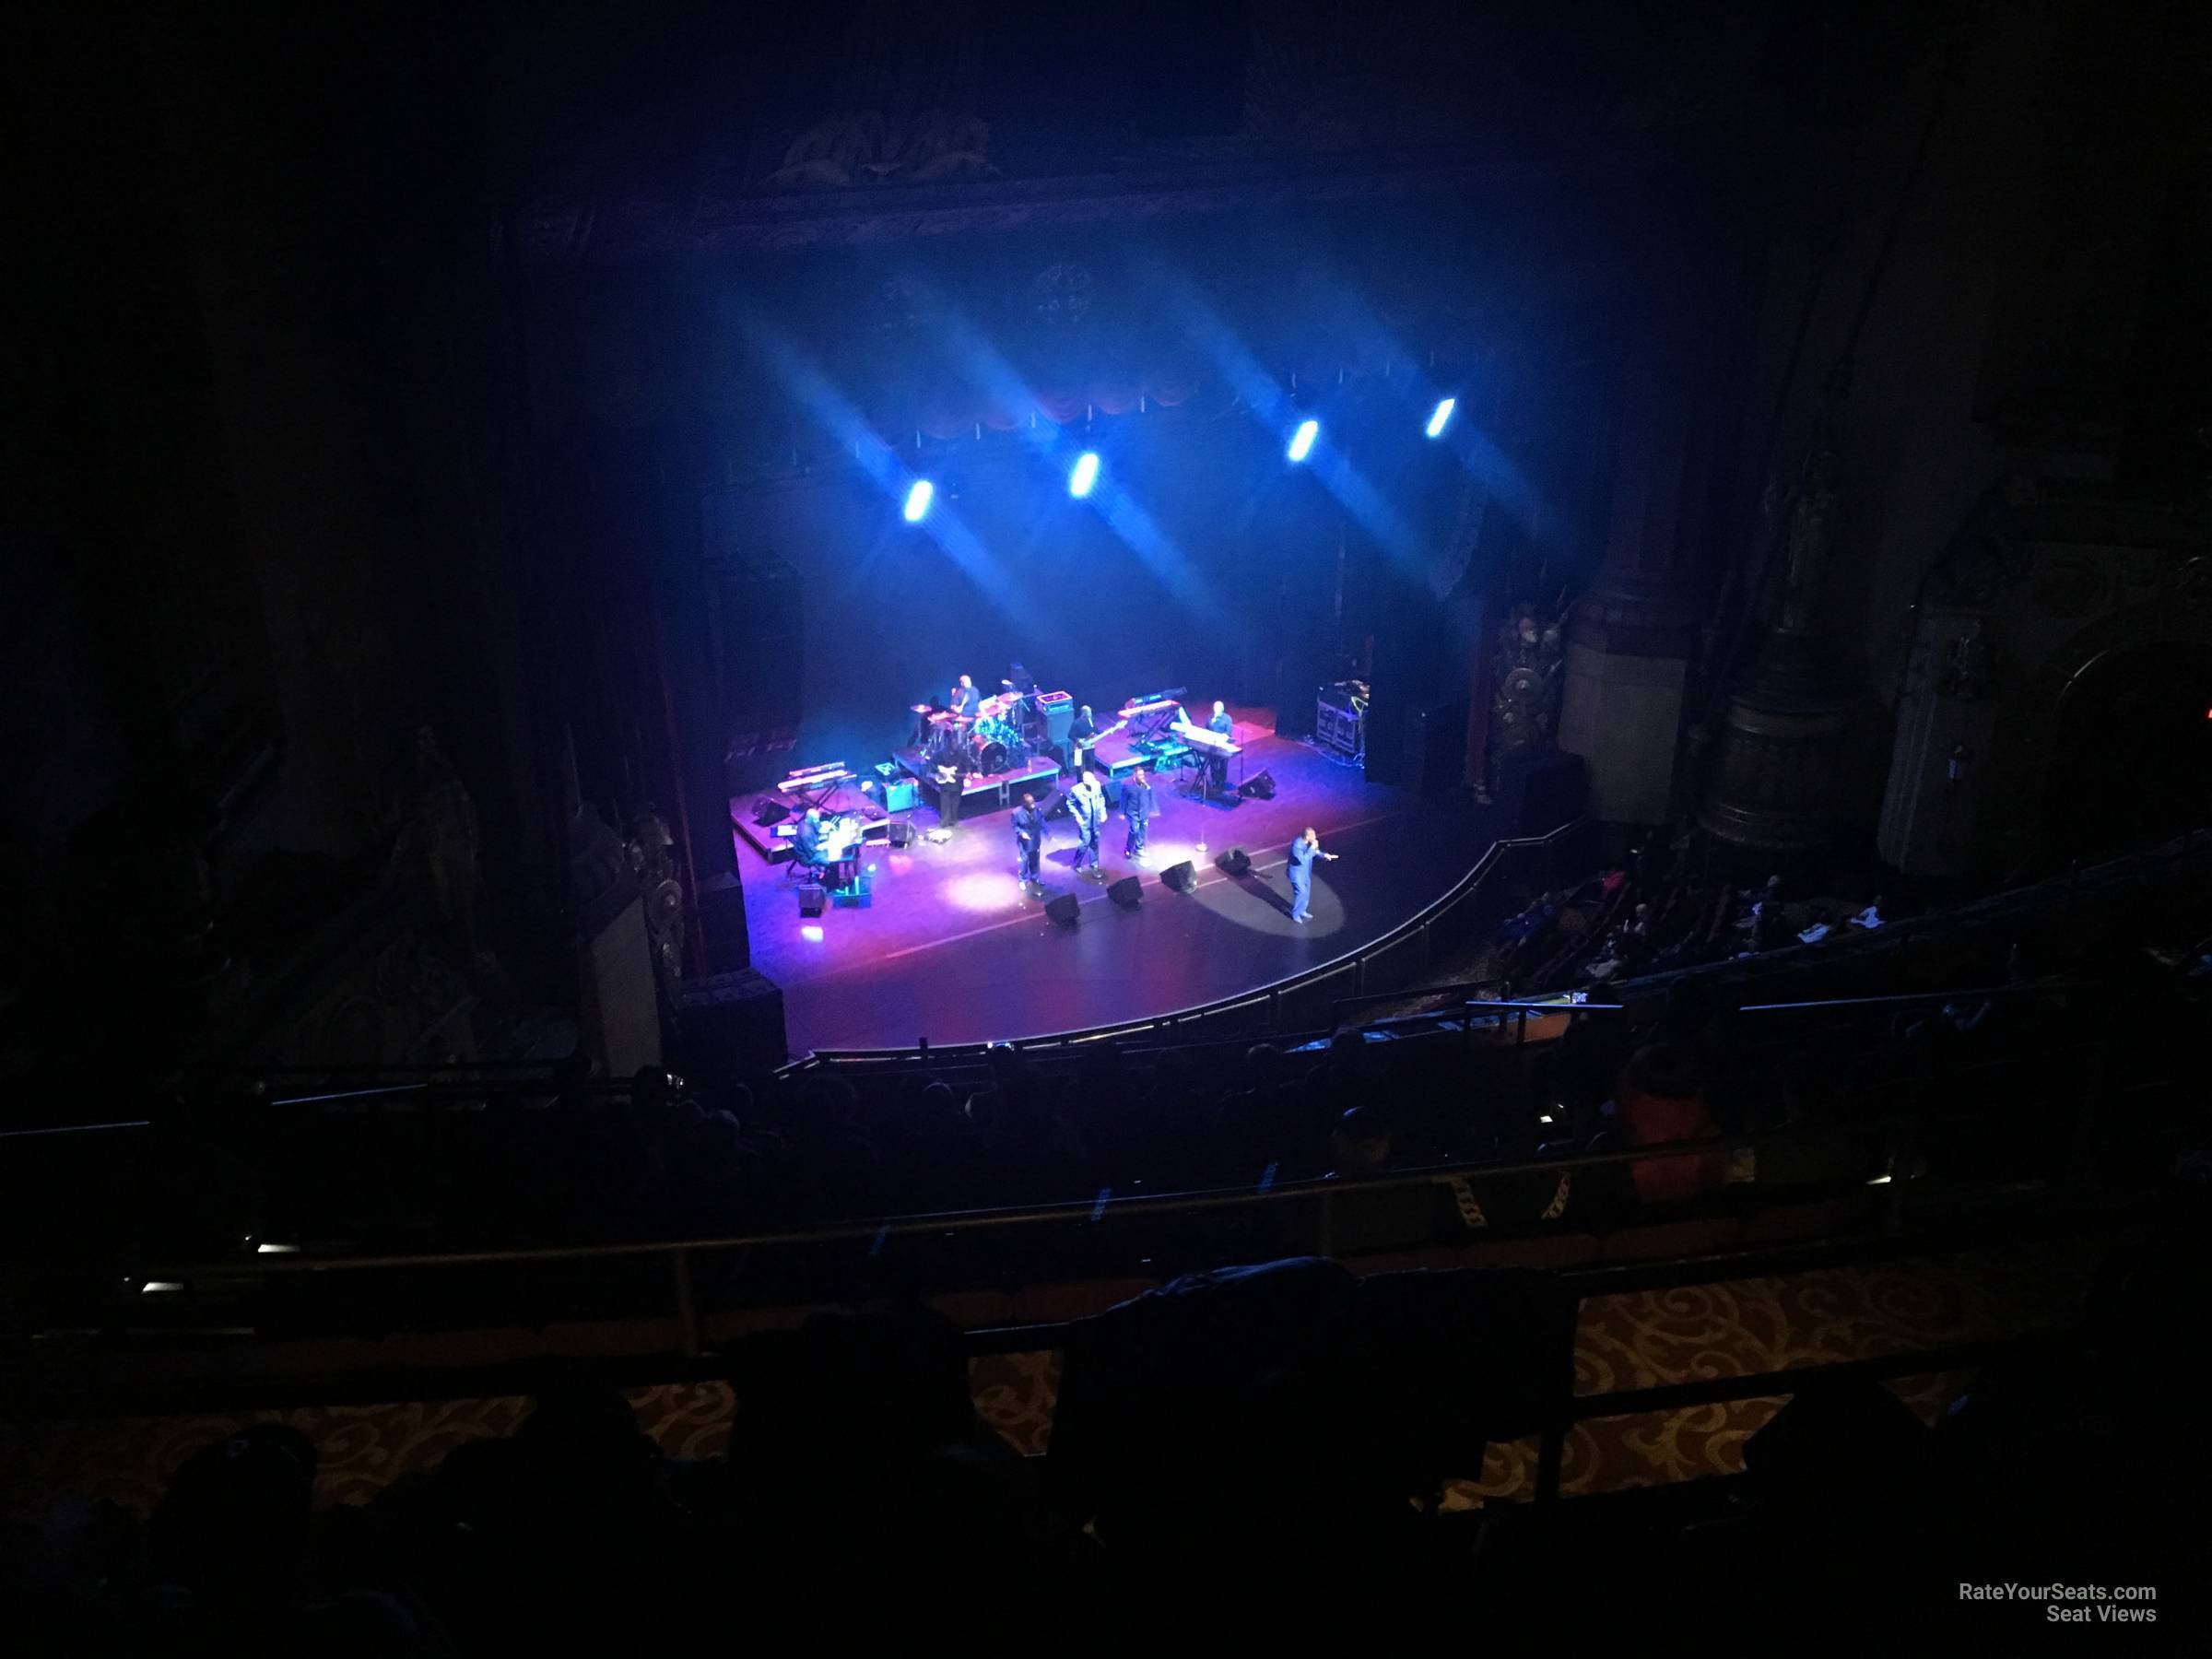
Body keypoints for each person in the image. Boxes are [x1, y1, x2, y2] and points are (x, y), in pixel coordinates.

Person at [1287, 826, 1337, 923]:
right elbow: (1303, 859)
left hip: (1305, 873)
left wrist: (1324, 855)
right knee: (1301, 893)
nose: (1315, 837)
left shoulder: (1309, 844)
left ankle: (1302, 910)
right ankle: (1296, 914)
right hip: (1297, 875)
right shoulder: (1296, 846)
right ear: (1307, 837)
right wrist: (1312, 848)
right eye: (1313, 836)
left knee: (1306, 893)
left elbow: (1315, 852)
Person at [1068, 771, 1108, 879]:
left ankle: (1094, 864)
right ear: (1085, 782)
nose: (1092, 783)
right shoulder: (1076, 790)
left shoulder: (1096, 785)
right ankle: (1076, 864)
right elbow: (1070, 804)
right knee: (1085, 843)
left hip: (1095, 820)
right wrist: (1077, 816)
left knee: (1095, 842)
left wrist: (1103, 812)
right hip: (1084, 822)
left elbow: (1101, 798)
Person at [1011, 791, 1044, 889]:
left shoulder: (1037, 809)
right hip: (1024, 842)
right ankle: (1022, 879)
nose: (1033, 806)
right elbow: (1015, 826)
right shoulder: (1016, 813)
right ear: (1024, 804)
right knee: (1024, 861)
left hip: (1035, 839)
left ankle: (1035, 878)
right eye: (1030, 804)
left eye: (1033, 803)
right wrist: (1021, 833)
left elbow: (1041, 821)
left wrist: (1048, 832)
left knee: (1035, 860)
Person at [1122, 766, 1155, 859]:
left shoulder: (1146, 786)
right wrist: (1122, 812)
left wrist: (1152, 809)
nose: (1142, 776)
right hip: (1133, 813)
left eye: (1142, 774)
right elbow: (1123, 800)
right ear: (1134, 775)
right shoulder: (1128, 786)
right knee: (1134, 830)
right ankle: (1128, 849)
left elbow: (1150, 798)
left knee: (1142, 831)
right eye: (1139, 775)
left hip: (1144, 812)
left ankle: (1139, 849)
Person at [1206, 700, 1235, 792]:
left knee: (1223, 763)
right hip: (1213, 743)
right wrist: (1212, 722)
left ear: (1222, 709)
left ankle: (1222, 781)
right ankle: (1215, 780)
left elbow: (1229, 733)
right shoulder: (1210, 717)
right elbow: (1206, 729)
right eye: (1215, 707)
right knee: (1213, 763)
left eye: (1218, 708)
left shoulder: (1227, 718)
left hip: (1223, 744)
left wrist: (1223, 737)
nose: (1216, 709)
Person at [1068, 703, 1099, 773]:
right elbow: (1070, 735)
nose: (1091, 714)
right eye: (1089, 712)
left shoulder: (1091, 721)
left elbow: (1096, 731)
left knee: (1091, 767)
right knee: (1080, 769)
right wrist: (1079, 740)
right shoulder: (1076, 723)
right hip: (1079, 748)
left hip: (1090, 748)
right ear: (1084, 713)